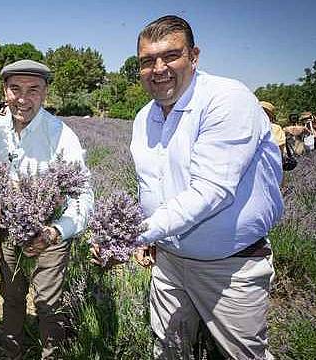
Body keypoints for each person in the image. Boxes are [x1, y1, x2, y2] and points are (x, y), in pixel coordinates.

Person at [126, 15, 283, 359]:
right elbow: (151, 183)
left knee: (242, 355)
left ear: (194, 56)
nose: (159, 68)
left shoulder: (227, 99)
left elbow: (212, 190)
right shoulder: (143, 117)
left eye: (171, 56)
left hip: (228, 268)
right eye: (147, 61)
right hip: (167, 263)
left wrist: (136, 232)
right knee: (169, 350)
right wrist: (150, 235)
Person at [0, 59, 94, 359]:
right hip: (7, 231)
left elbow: (83, 198)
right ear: (4, 91)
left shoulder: (61, 134)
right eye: (15, 88)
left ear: (45, 93)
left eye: (33, 90)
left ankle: (52, 354)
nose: (22, 98)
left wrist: (54, 232)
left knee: (48, 303)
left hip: (49, 230)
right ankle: (11, 353)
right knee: (11, 297)